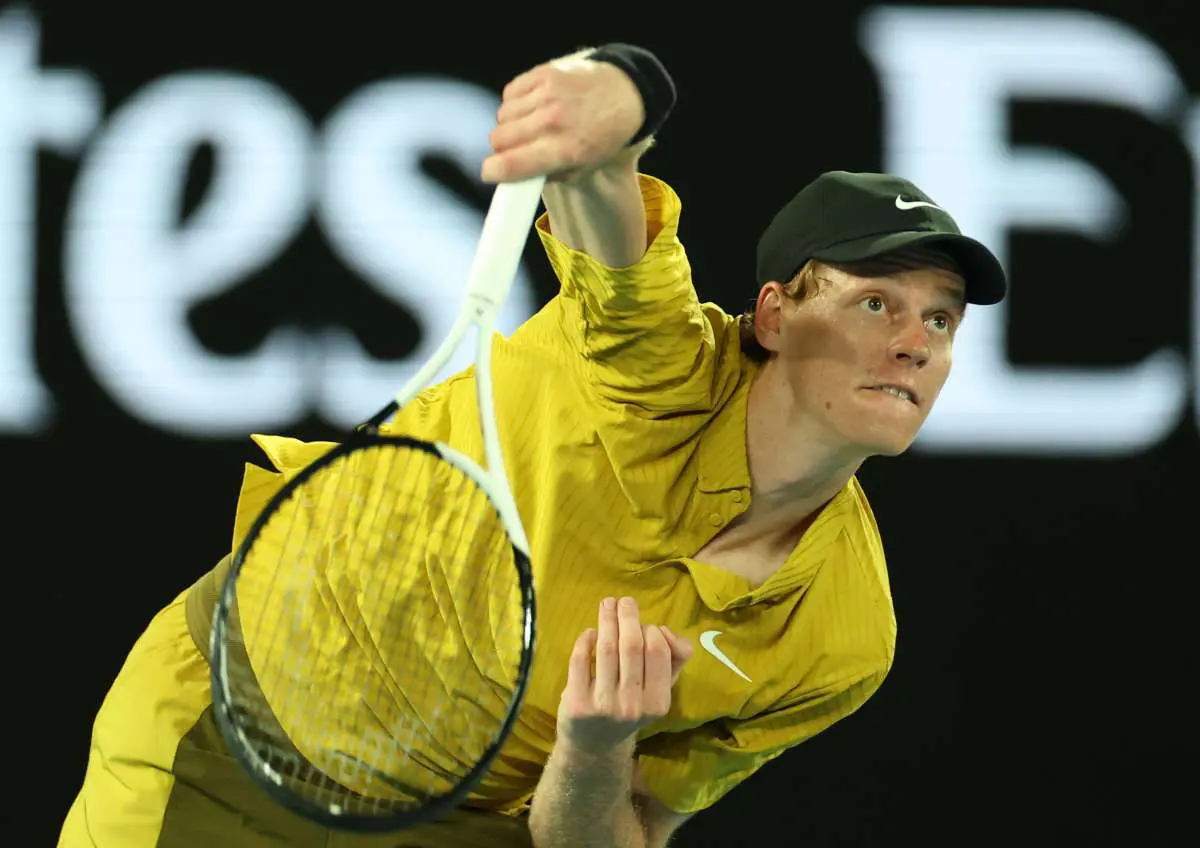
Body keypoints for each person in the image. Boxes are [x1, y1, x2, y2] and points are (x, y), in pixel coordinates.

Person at [57, 43, 1007, 848]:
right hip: (232, 731)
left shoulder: (841, 639)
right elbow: (598, 185)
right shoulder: (653, 361)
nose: (915, 343)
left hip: (462, 820)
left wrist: (595, 750)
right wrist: (623, 94)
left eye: (941, 318)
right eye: (874, 302)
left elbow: (618, 834)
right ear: (772, 315)